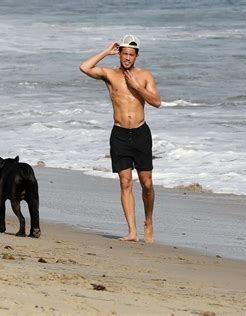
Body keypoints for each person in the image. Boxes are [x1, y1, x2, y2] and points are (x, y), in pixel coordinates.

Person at [80, 34, 161, 243]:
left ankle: (148, 221)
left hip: (141, 134)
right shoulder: (110, 75)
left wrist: (137, 87)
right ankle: (132, 231)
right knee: (125, 183)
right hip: (119, 135)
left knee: (147, 183)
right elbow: (85, 67)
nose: (127, 58)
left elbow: (157, 102)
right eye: (124, 53)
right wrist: (106, 52)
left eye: (131, 55)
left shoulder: (144, 76)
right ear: (120, 55)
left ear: (136, 56)